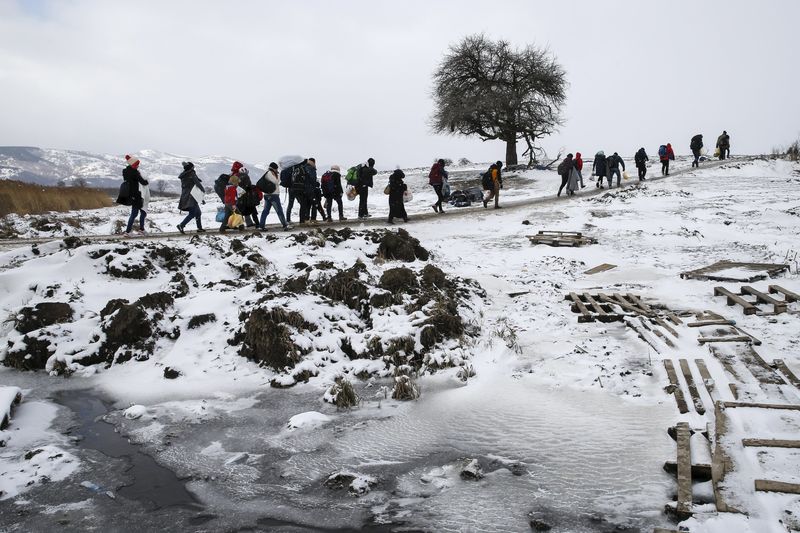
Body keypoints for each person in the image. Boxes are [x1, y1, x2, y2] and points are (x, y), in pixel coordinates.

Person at [257, 162, 290, 231]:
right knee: (279, 211)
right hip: (273, 195)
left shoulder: (269, 173)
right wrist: (278, 176)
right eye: (276, 168)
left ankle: (261, 225)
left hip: (267, 195)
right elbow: (276, 182)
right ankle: (285, 225)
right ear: (274, 168)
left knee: (265, 211)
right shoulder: (269, 173)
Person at [123, 155, 149, 235]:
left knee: (137, 213)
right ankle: (128, 232)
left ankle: (140, 229)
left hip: (130, 195)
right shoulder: (135, 173)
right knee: (135, 213)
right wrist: (147, 180)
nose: (138, 166)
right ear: (134, 165)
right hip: (136, 195)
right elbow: (143, 182)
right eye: (137, 164)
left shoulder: (125, 171)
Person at [176, 161, 205, 234]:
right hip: (192, 196)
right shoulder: (191, 174)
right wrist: (203, 190)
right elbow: (197, 184)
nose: (193, 168)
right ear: (191, 168)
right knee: (192, 213)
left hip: (185, 196)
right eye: (193, 167)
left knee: (198, 213)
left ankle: (199, 228)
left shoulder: (184, 175)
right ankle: (181, 225)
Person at [306, 158, 327, 223]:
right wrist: (316, 184)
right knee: (316, 204)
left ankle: (306, 218)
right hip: (312, 190)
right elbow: (312, 179)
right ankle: (313, 218)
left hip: (306, 190)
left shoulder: (305, 168)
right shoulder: (311, 169)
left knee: (309, 205)